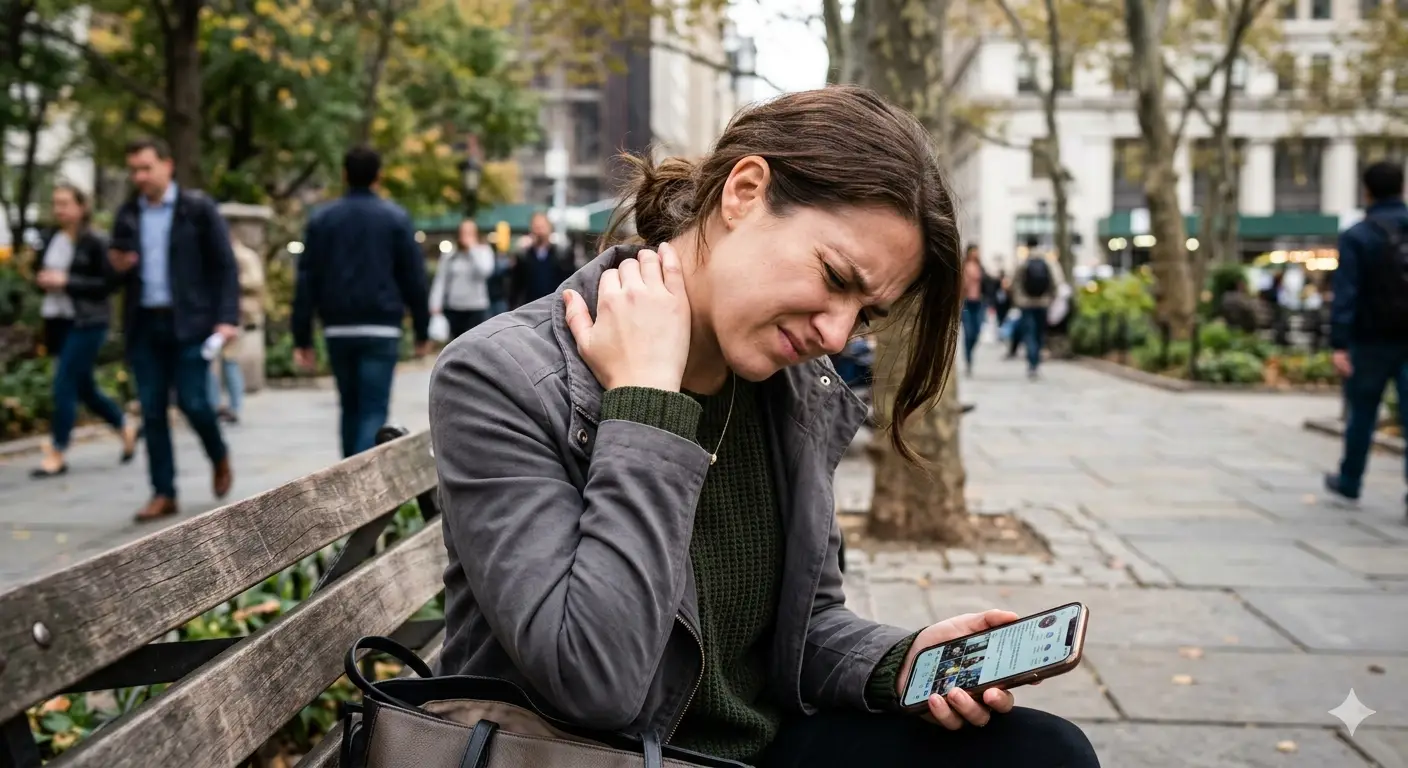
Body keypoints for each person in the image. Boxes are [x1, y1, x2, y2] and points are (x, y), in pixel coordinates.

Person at [426, 86, 1099, 768]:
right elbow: (596, 683)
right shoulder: (504, 375)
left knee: (1045, 753)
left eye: (864, 314)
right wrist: (646, 402)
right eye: (835, 277)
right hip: (597, 755)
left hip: (755, 749)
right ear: (744, 192)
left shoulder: (785, 387)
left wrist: (899, 662)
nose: (836, 333)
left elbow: (800, 629)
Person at [109, 138, 239, 522]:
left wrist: (226, 317)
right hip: (145, 323)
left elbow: (224, 266)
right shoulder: (128, 213)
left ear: (168, 165)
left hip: (191, 323)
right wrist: (116, 266)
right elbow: (114, 271)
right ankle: (163, 492)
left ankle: (218, 454)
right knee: (151, 410)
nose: (140, 177)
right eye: (134, 169)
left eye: (146, 168)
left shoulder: (197, 209)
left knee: (194, 402)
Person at [292, 146, 430, 458]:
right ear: (379, 176)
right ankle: (360, 485)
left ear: (344, 175)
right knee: (373, 409)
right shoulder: (395, 218)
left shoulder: (323, 220)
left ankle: (347, 479)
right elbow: (413, 278)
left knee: (349, 407)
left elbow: (306, 279)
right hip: (381, 327)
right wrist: (422, 330)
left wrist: (302, 336)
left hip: (338, 327)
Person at [30, 184, 140, 478]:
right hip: (59, 321)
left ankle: (57, 450)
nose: (59, 209)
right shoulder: (51, 238)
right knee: (84, 387)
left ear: (81, 207)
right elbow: (41, 273)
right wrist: (42, 279)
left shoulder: (95, 241)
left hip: (88, 322)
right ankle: (123, 425)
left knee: (64, 380)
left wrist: (67, 281)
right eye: (55, 203)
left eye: (65, 203)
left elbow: (107, 285)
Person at [1324, 160, 1408, 514]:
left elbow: (1346, 294)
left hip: (1370, 339)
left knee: (1362, 413)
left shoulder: (1358, 235)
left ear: (1367, 190)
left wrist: (1339, 343)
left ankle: (1350, 481)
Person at [208, 235, 266, 425]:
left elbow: (256, 282)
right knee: (208, 363)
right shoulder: (212, 254)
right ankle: (216, 406)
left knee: (230, 362)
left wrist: (233, 278)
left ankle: (234, 407)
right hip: (211, 315)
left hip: (236, 315)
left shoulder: (244, 257)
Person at [429, 219, 495, 338]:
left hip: (476, 307)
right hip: (454, 307)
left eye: (470, 232)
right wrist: (435, 304)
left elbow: (485, 272)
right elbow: (441, 280)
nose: (466, 235)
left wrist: (472, 249)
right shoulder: (450, 255)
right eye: (463, 232)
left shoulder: (483, 251)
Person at [1011, 236, 1065, 380]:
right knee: (1039, 334)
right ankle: (1036, 363)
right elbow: (1056, 281)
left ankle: (1032, 363)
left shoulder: (1023, 262)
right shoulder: (1047, 261)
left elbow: (1014, 282)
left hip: (1026, 304)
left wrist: (1019, 299)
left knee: (1029, 334)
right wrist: (1051, 299)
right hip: (1043, 303)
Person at [509, 211, 574, 308]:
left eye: (542, 227)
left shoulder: (561, 255)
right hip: (529, 306)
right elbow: (516, 286)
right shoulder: (524, 257)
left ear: (549, 228)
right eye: (536, 227)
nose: (539, 231)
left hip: (554, 306)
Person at [960, 244, 987, 376]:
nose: (976, 254)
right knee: (969, 332)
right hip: (965, 303)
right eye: (973, 251)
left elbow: (987, 284)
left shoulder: (981, 268)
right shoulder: (963, 267)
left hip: (979, 303)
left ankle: (970, 353)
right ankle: (969, 360)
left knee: (977, 332)